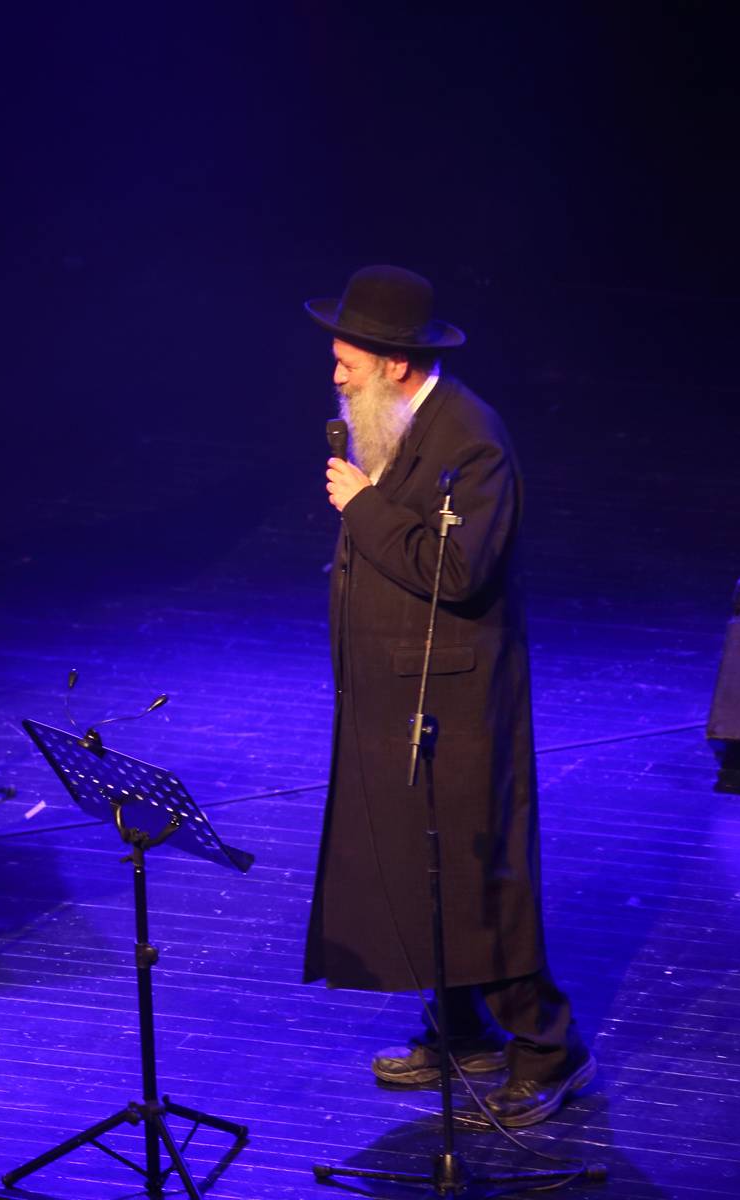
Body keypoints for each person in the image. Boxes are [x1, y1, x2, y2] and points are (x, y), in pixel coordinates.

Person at [302, 265, 592, 1127]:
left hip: (456, 701)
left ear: (395, 363)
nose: (335, 374)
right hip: (395, 687)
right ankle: (461, 1028)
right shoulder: (393, 421)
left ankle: (548, 1047)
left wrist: (363, 507)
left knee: (475, 873)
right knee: (414, 863)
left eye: (349, 361)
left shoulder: (472, 438)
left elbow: (458, 571)